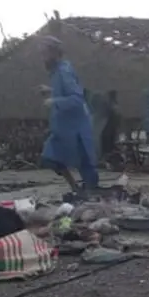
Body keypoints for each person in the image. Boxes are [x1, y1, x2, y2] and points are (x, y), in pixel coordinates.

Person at [38, 36, 99, 192]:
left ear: (54, 53)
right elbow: (66, 92)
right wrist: (51, 91)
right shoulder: (57, 71)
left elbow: (77, 98)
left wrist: (54, 101)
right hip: (62, 129)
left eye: (44, 53)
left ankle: (91, 194)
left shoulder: (64, 71)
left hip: (75, 129)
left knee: (85, 165)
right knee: (51, 158)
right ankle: (75, 188)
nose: (42, 56)